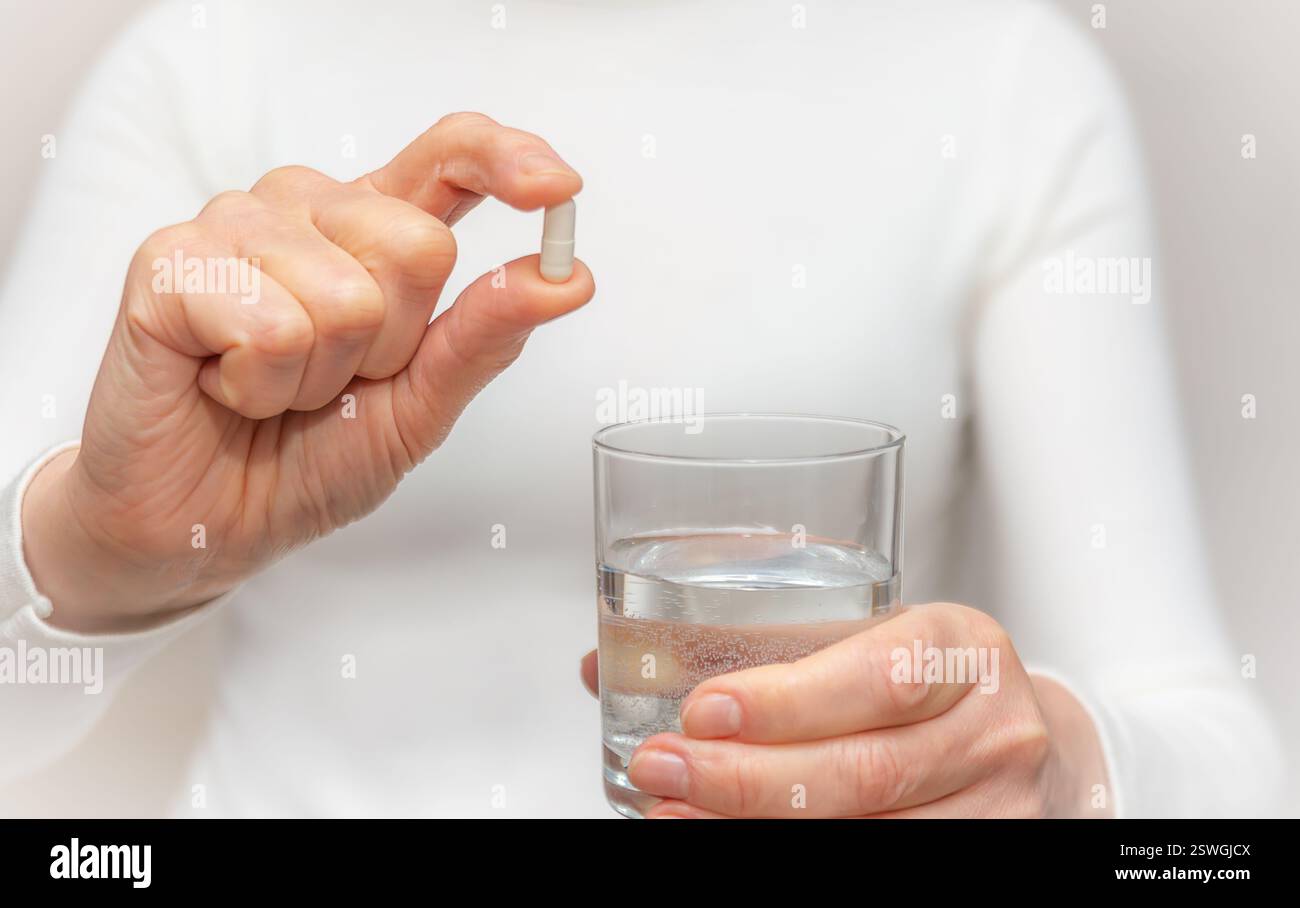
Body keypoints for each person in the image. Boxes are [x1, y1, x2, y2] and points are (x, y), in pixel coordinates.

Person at [0, 0, 1280, 818]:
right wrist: (100, 559)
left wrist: (1064, 770)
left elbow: (1227, 802)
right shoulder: (204, 58)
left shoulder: (1002, 77)